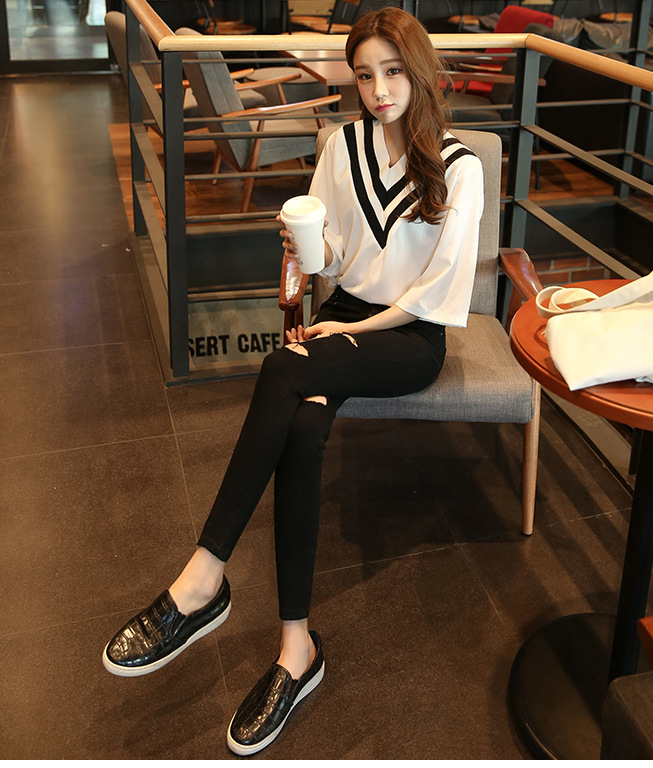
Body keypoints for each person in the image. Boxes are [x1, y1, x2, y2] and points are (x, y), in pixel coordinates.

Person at [102, 6, 484, 757]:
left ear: (418, 71)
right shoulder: (343, 146)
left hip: (409, 336)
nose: (379, 91)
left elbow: (437, 294)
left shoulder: (459, 166)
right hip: (345, 316)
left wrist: (347, 332)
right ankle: (295, 650)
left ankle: (203, 579)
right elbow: (336, 261)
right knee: (303, 427)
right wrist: (311, 248)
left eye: (393, 72)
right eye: (366, 76)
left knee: (284, 364)